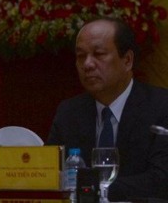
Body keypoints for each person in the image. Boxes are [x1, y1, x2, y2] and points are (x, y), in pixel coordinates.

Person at [47, 17, 168, 201]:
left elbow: (161, 179)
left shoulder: (161, 107)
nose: (87, 64)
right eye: (81, 56)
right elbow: (50, 175)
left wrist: (95, 189)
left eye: (99, 54)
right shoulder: (69, 112)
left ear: (127, 60)